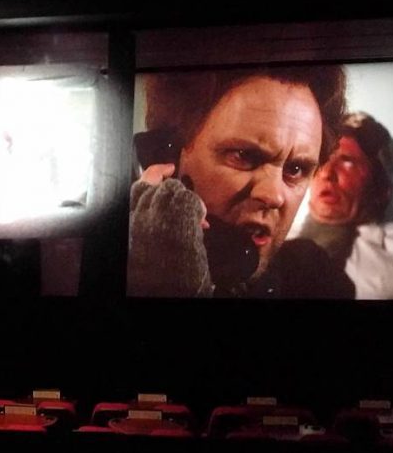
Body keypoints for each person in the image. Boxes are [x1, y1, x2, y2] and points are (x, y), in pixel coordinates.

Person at [127, 65, 354, 298]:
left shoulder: (318, 281)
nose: (273, 196)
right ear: (167, 158)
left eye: (295, 169)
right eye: (244, 156)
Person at [295, 111, 393, 299]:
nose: (326, 173)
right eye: (323, 160)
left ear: (380, 188)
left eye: (347, 162)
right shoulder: (277, 242)